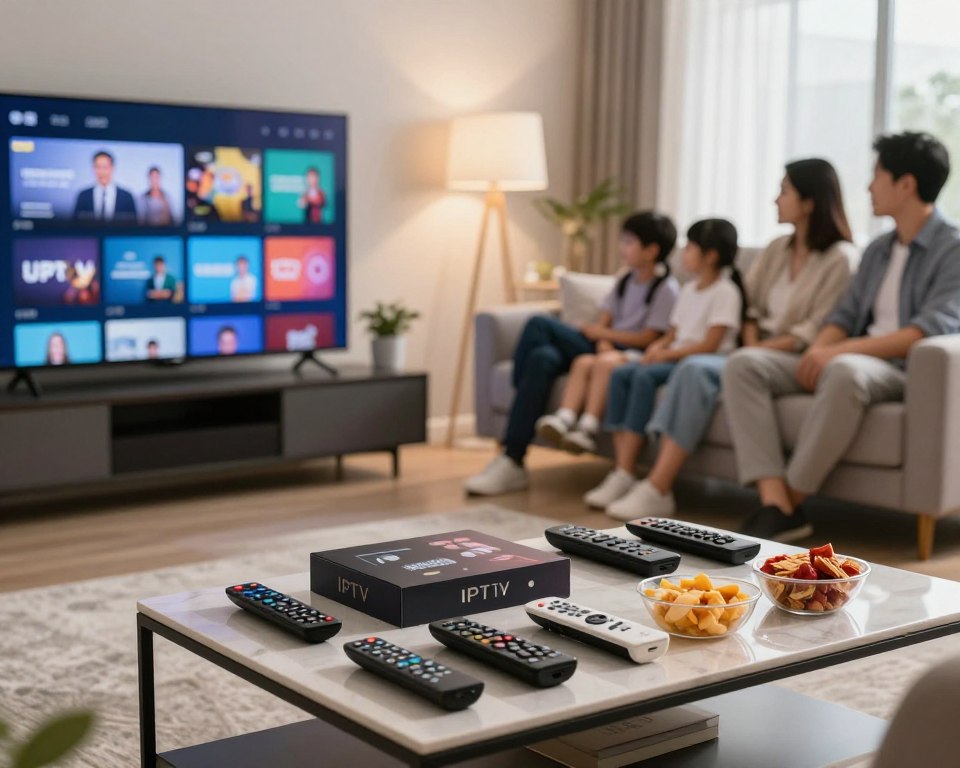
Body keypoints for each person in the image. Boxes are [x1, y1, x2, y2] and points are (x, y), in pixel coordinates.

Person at [723, 132, 960, 541]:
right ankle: (775, 499)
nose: (868, 186)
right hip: (854, 356)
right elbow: (846, 314)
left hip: (902, 368)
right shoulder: (878, 249)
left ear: (906, 184)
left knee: (846, 370)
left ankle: (791, 500)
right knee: (745, 363)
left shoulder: (952, 248)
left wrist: (841, 349)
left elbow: (929, 328)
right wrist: (819, 348)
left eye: (877, 175)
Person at [595, 159, 857, 519]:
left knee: (694, 369)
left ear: (810, 201)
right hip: (750, 352)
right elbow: (747, 305)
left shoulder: (840, 260)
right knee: (678, 368)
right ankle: (628, 474)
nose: (775, 199)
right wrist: (749, 346)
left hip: (792, 355)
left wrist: (753, 352)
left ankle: (658, 486)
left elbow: (814, 331)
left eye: (784, 191)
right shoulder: (777, 248)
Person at [465, 211, 680, 496]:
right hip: (601, 347)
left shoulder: (666, 289)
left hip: (625, 352)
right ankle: (512, 461)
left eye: (629, 242)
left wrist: (604, 337)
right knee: (542, 358)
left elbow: (648, 337)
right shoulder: (625, 281)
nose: (622, 248)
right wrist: (602, 338)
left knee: (539, 323)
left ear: (652, 250)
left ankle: (517, 410)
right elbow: (606, 317)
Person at [586, 218, 746, 519]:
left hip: (695, 361)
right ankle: (623, 471)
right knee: (621, 373)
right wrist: (658, 348)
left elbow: (711, 344)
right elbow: (673, 331)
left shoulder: (726, 292)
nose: (684, 253)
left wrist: (669, 354)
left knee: (644, 376)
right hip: (675, 355)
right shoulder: (688, 290)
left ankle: (634, 475)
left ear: (710, 255)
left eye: (691, 247)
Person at [73, 151, 137, 223]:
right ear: (93, 169)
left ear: (112, 168)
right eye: (97, 167)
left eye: (105, 167)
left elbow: (133, 225)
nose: (101, 172)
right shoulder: (83, 196)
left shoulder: (126, 197)